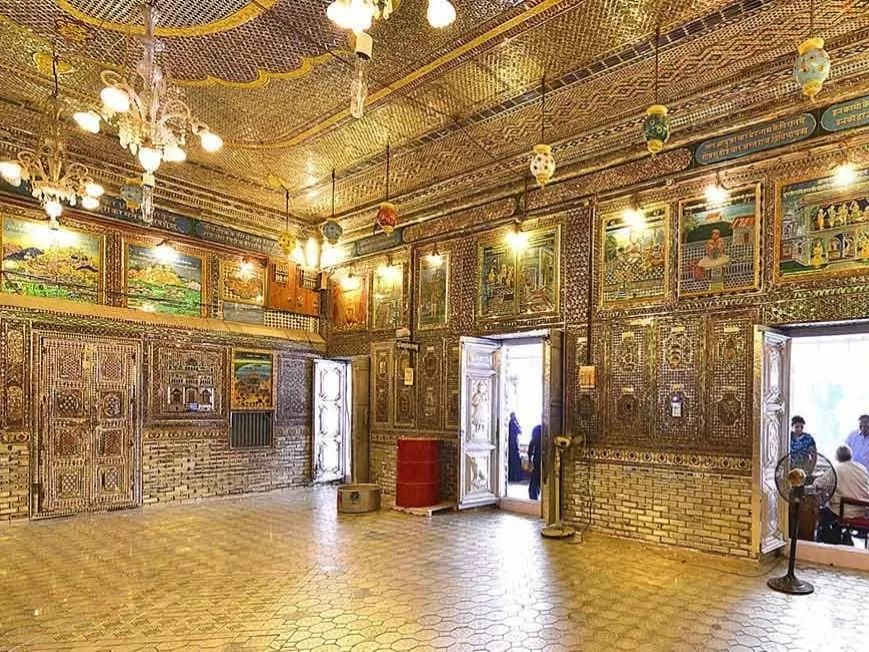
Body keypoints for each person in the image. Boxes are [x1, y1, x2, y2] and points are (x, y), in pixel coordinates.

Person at [816, 445, 869, 544]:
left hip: (843, 512)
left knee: (823, 513)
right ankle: (845, 538)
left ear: (837, 457)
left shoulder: (836, 470)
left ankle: (827, 545)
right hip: (863, 511)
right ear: (851, 455)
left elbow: (819, 484)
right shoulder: (862, 468)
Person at [528, 425, 542, 501]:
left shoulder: (537, 429)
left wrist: (530, 459)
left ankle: (534, 496)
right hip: (540, 458)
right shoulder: (540, 429)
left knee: (536, 478)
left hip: (538, 458)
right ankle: (534, 496)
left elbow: (531, 445)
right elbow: (531, 445)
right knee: (537, 478)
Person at [507, 413, 522, 483]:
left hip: (510, 445)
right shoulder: (513, 423)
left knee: (512, 462)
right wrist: (517, 422)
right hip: (514, 446)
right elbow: (520, 431)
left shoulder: (509, 423)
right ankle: (516, 477)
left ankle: (511, 477)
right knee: (516, 462)